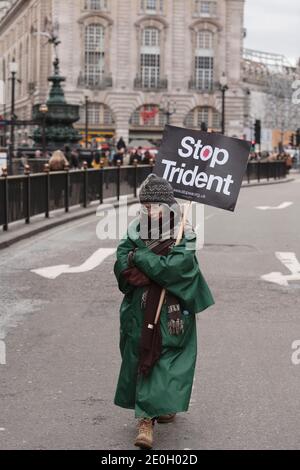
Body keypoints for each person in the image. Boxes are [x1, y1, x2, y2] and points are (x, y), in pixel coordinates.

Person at [113, 174, 215, 449]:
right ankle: (153, 410)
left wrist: (141, 259)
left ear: (168, 206)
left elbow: (177, 269)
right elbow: (122, 263)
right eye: (145, 205)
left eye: (155, 205)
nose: (149, 211)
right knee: (141, 355)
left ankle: (148, 419)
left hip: (172, 312)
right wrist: (142, 267)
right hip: (139, 309)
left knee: (168, 360)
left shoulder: (184, 232)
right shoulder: (135, 229)